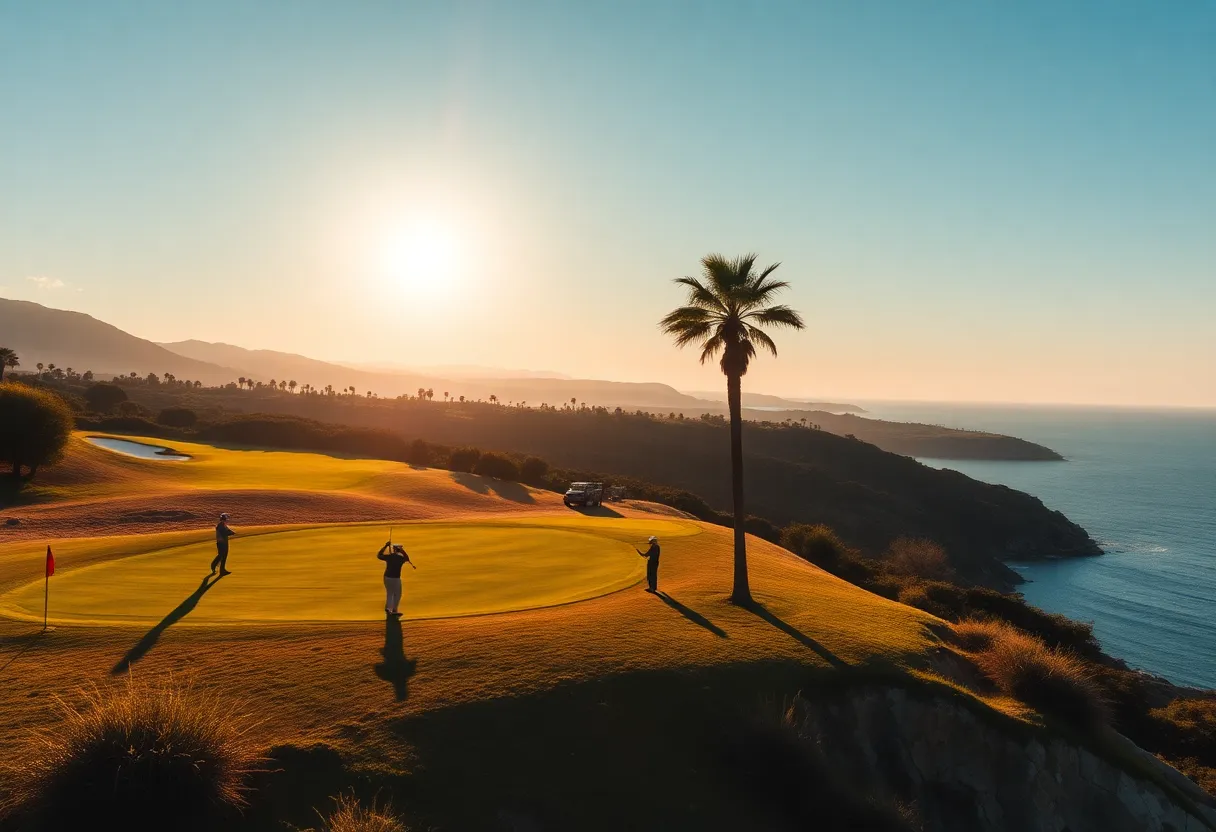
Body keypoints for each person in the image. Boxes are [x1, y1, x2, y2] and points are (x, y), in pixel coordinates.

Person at [378, 541, 411, 617]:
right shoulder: (400, 558)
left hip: (387, 577)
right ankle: (393, 610)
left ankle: (389, 609)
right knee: (397, 594)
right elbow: (407, 558)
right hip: (395, 578)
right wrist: (402, 551)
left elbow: (379, 555)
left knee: (390, 593)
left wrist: (386, 546)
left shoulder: (390, 556)